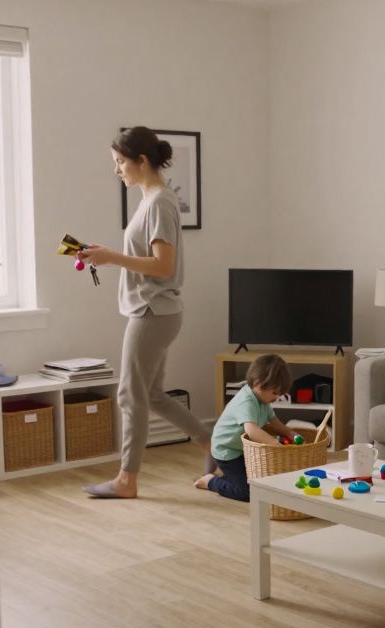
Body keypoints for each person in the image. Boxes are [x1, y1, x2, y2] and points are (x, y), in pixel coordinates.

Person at [79, 126, 212, 499]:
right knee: (151, 394)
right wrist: (108, 254)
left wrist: (111, 258)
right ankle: (210, 439)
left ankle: (126, 480)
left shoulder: (158, 203)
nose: (117, 170)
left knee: (129, 393)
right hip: (155, 309)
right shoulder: (151, 199)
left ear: (142, 161)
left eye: (121, 162)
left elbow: (162, 266)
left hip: (152, 310)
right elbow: (151, 259)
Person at [196, 354, 297, 502]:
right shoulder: (246, 401)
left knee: (261, 480)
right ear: (258, 382)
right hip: (227, 451)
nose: (276, 398)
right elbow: (251, 430)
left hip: (242, 449)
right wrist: (274, 444)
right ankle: (211, 481)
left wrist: (289, 433)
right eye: (274, 393)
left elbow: (273, 420)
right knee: (248, 492)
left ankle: (230, 478)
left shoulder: (263, 400)